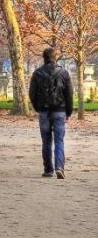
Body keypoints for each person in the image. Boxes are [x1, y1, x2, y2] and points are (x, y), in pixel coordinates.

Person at [29, 48, 74, 179]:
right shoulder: (64, 73)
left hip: (44, 111)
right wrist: (69, 111)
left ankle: (48, 169)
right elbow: (69, 94)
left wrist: (38, 107)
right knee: (59, 141)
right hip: (60, 110)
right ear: (56, 58)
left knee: (46, 141)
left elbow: (32, 94)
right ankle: (59, 167)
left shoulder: (37, 73)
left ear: (44, 58)